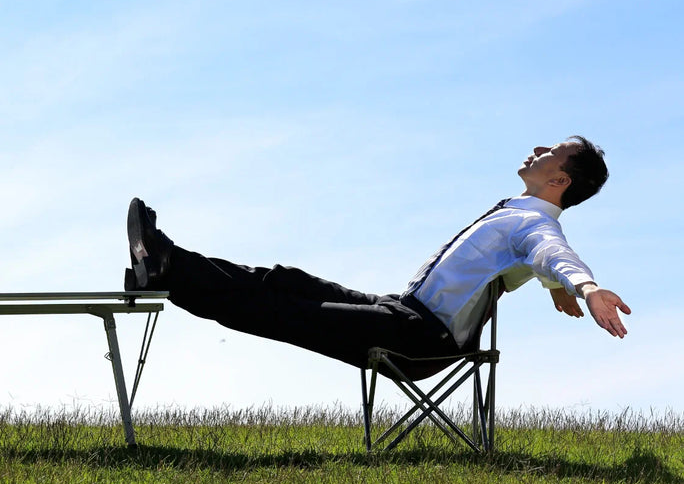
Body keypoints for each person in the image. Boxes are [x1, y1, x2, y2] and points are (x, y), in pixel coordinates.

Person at [125, 136, 631, 380]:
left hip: (420, 338)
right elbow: (536, 264)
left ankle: (168, 279)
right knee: (286, 280)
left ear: (559, 181)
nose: (538, 149)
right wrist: (558, 290)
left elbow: (552, 253)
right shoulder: (525, 217)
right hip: (403, 313)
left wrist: (584, 287)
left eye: (552, 151)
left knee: (287, 312)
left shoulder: (535, 224)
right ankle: (167, 262)